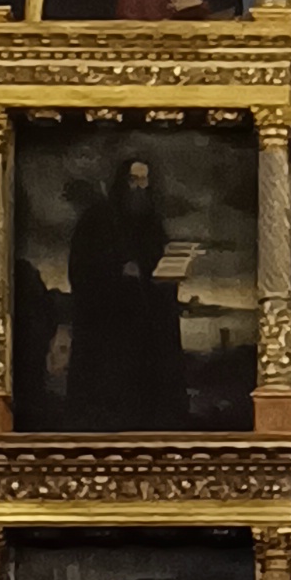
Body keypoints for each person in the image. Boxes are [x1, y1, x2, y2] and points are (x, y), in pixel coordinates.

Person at [64, 157, 189, 430]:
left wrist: (165, 274)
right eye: (134, 180)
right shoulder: (97, 219)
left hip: (146, 322)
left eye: (144, 180)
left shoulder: (152, 223)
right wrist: (117, 270)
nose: (140, 187)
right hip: (110, 324)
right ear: (123, 181)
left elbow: (154, 263)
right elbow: (81, 270)